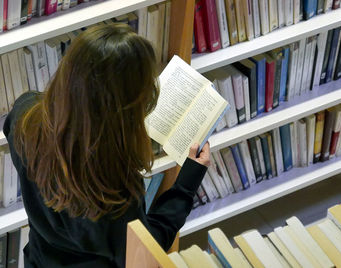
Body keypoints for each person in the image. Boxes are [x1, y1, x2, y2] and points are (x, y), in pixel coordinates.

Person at [4, 24, 210, 267]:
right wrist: (186, 184)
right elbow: (144, 250)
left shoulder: (24, 117)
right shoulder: (114, 195)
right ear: (121, 113)